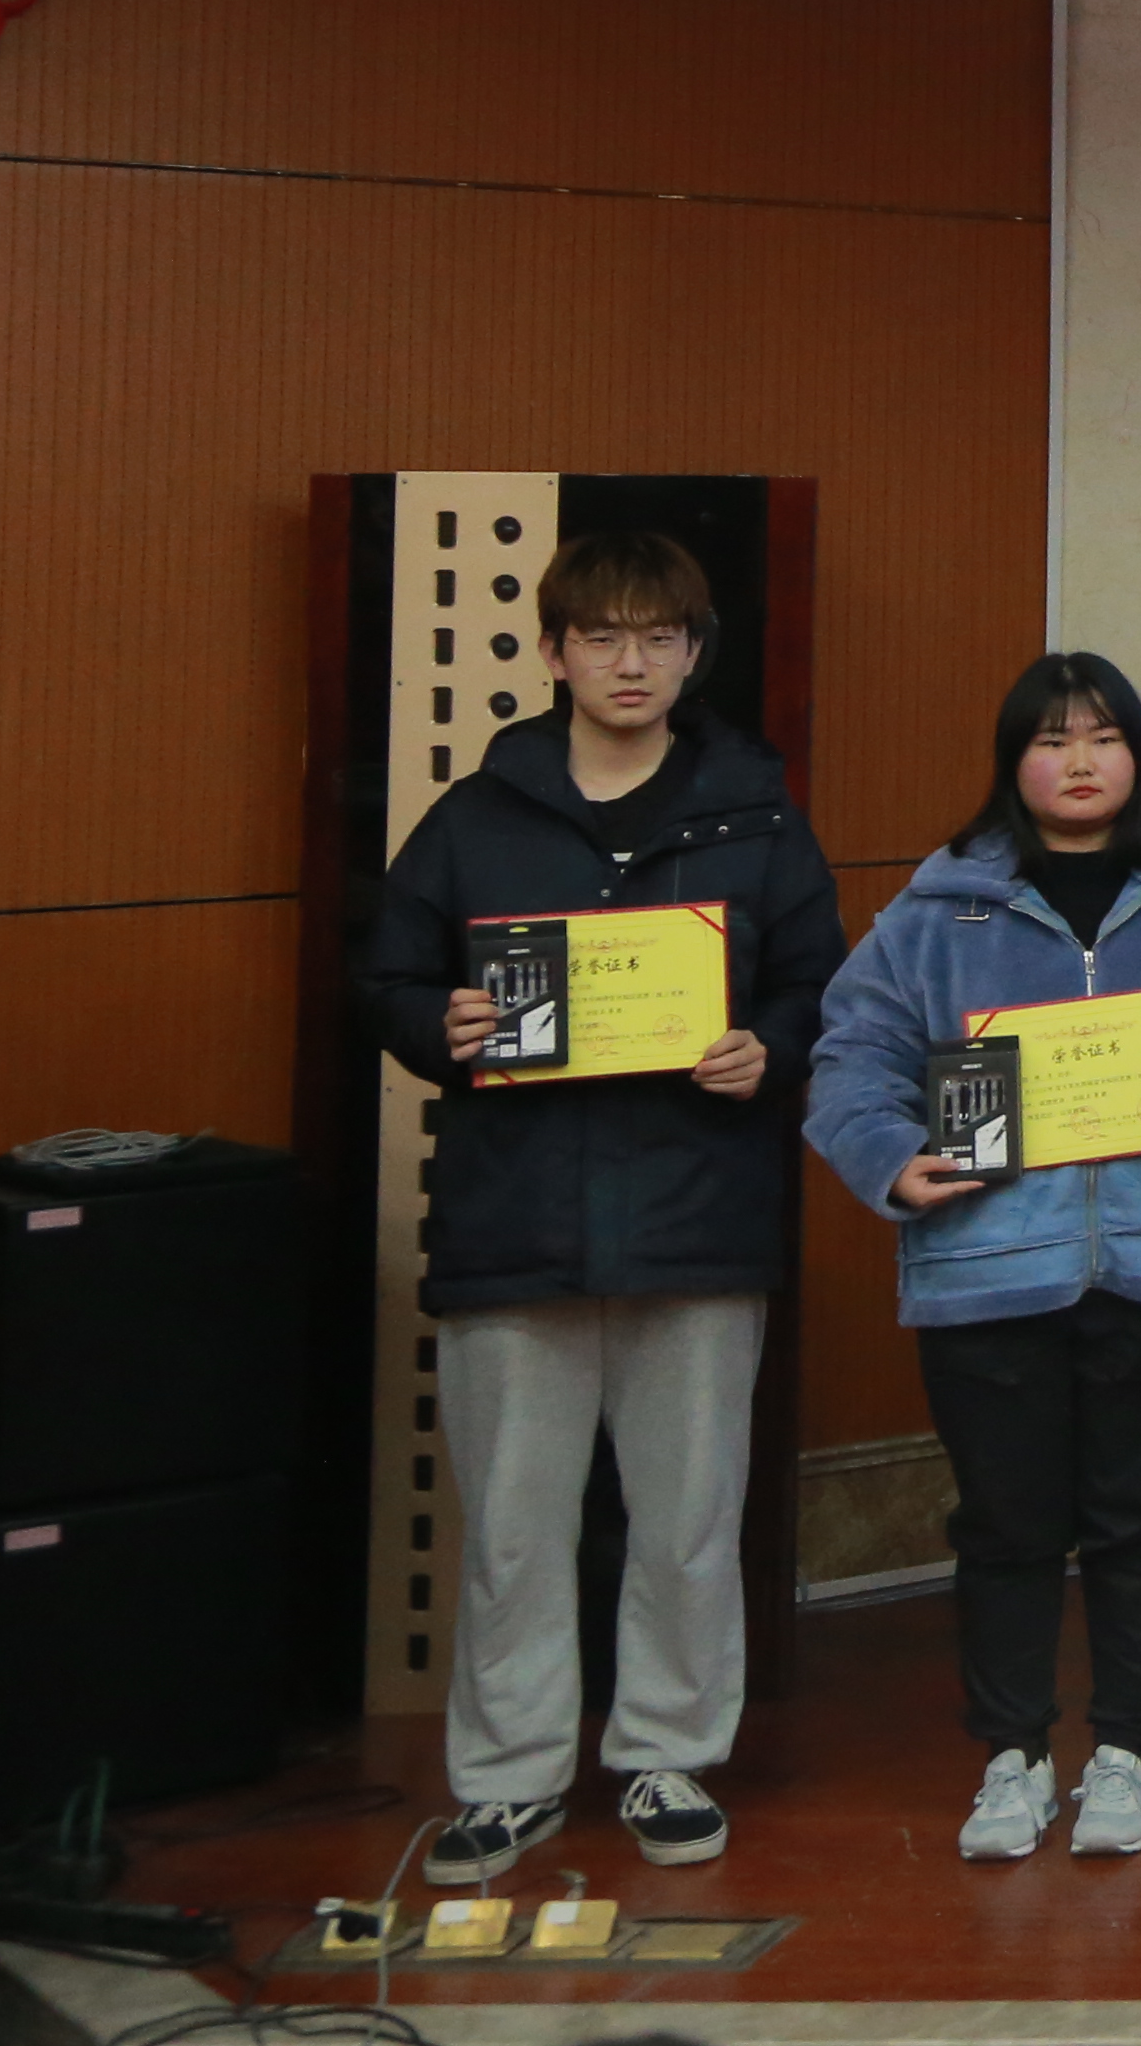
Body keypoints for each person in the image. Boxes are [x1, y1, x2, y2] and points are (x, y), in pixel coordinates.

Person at [352, 530, 841, 1886]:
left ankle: (668, 1756)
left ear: (694, 653)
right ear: (556, 653)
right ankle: (508, 1779)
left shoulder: (755, 812)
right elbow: (389, 979)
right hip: (516, 1215)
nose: (633, 663)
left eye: (659, 638)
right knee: (514, 1527)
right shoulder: (477, 816)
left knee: (687, 1519)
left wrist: (769, 1048)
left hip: (699, 1211)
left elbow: (820, 982)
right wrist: (441, 1025)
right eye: (604, 638)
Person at [804, 653, 1141, 1864]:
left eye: (1104, 737)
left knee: (1139, 1521)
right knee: (1005, 1527)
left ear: (1139, 756)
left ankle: (1126, 1756)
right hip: (984, 1269)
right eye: (1052, 739)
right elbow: (850, 1055)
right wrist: (890, 1158)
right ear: (1013, 760)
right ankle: (1011, 1757)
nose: (1079, 762)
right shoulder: (935, 912)